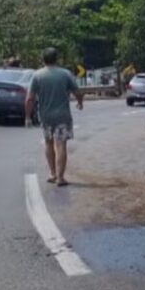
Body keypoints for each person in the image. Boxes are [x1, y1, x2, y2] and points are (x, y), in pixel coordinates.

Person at [25, 48, 84, 186]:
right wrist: (80, 102)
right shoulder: (65, 74)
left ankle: (52, 173)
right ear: (56, 59)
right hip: (62, 116)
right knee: (61, 144)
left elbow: (29, 99)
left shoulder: (37, 75)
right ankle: (60, 177)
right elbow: (77, 92)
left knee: (48, 143)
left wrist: (27, 116)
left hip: (45, 117)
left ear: (43, 59)